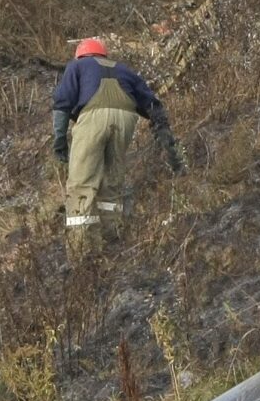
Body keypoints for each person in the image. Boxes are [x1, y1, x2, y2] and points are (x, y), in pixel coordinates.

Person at [51, 37, 181, 253]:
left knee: (82, 185)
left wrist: (59, 142)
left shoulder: (77, 66)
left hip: (92, 118)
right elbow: (153, 105)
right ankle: (112, 241)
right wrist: (169, 144)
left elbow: (62, 103)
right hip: (126, 119)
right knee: (111, 184)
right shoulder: (124, 70)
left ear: (81, 54)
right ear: (104, 54)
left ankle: (82, 251)